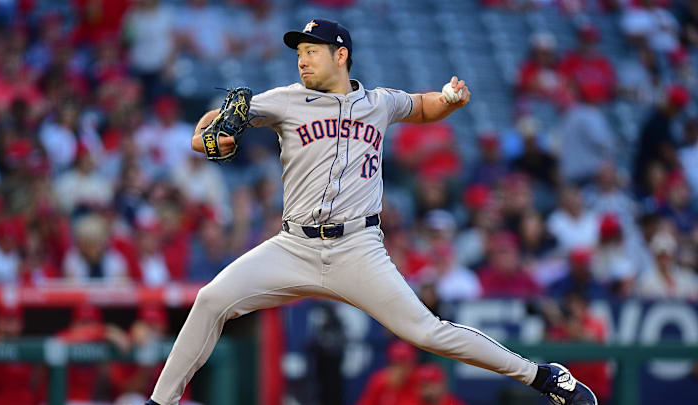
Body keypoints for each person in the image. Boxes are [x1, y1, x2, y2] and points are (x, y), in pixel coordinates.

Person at [145, 19, 597, 405]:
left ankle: (544, 376)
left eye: (311, 51)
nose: (301, 60)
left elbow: (420, 106)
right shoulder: (285, 100)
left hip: (357, 248)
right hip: (294, 245)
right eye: (298, 53)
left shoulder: (378, 102)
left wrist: (448, 100)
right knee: (210, 300)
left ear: (341, 55)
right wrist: (203, 136)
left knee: (426, 332)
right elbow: (217, 119)